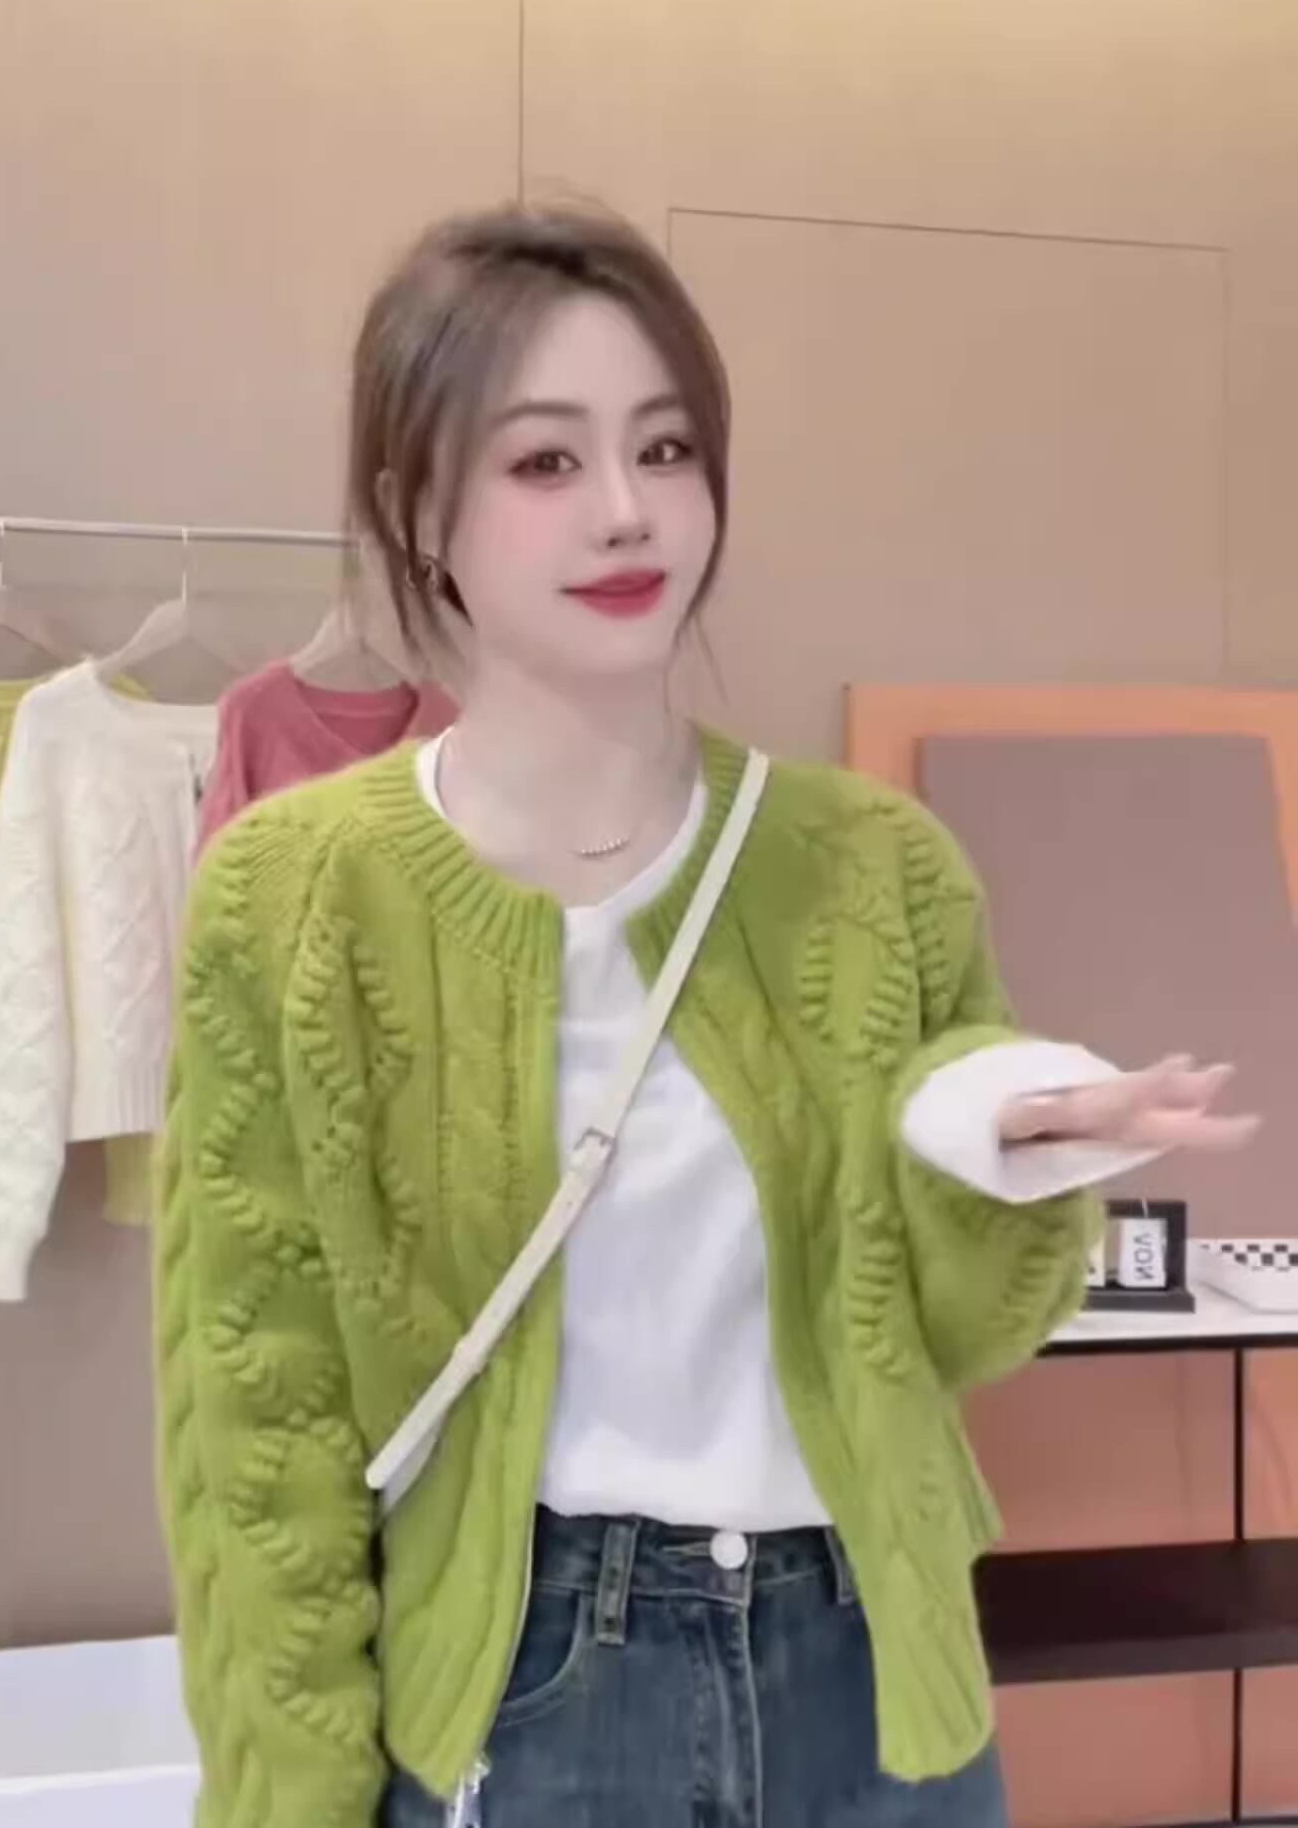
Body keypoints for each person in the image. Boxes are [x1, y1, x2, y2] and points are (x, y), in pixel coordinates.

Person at [155, 204, 1256, 1828]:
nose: (627, 508)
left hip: (876, 1676)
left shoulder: (875, 866)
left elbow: (966, 1333)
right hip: (533, 1686)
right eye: (546, 459)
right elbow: (262, 1420)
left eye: (666, 447)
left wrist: (998, 1154)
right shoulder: (294, 893)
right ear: (420, 505)